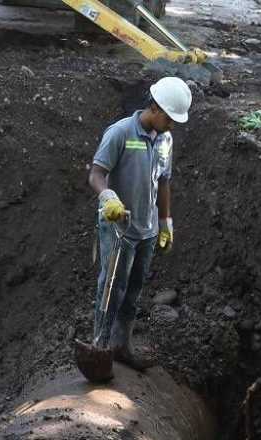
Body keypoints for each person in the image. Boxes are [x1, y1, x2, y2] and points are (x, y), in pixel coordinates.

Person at [86, 76, 191, 370]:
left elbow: (165, 180)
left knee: (133, 291)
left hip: (147, 230)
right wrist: (108, 197)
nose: (172, 126)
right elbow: (95, 174)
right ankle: (99, 347)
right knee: (111, 288)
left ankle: (122, 345)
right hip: (119, 228)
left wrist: (166, 221)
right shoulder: (120, 133)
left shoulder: (165, 140)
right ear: (155, 107)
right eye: (169, 119)